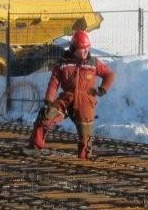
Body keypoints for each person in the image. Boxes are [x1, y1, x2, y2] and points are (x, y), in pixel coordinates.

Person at [29, 29, 114, 159]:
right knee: (44, 117)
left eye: (87, 48)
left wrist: (103, 89)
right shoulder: (63, 63)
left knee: (85, 136)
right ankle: (35, 147)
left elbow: (109, 74)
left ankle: (84, 159)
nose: (86, 51)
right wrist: (48, 101)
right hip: (67, 99)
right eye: (83, 48)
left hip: (86, 101)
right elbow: (54, 82)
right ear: (74, 48)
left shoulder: (94, 63)